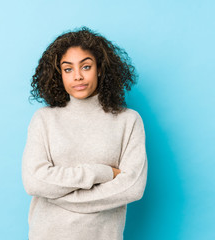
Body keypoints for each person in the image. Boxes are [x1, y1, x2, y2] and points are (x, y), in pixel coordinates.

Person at [21, 26, 148, 240]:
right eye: (68, 69)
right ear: (59, 74)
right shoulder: (44, 119)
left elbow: (132, 187)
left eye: (86, 66)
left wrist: (57, 195)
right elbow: (35, 182)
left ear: (99, 69)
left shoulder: (129, 120)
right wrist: (103, 173)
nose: (77, 76)